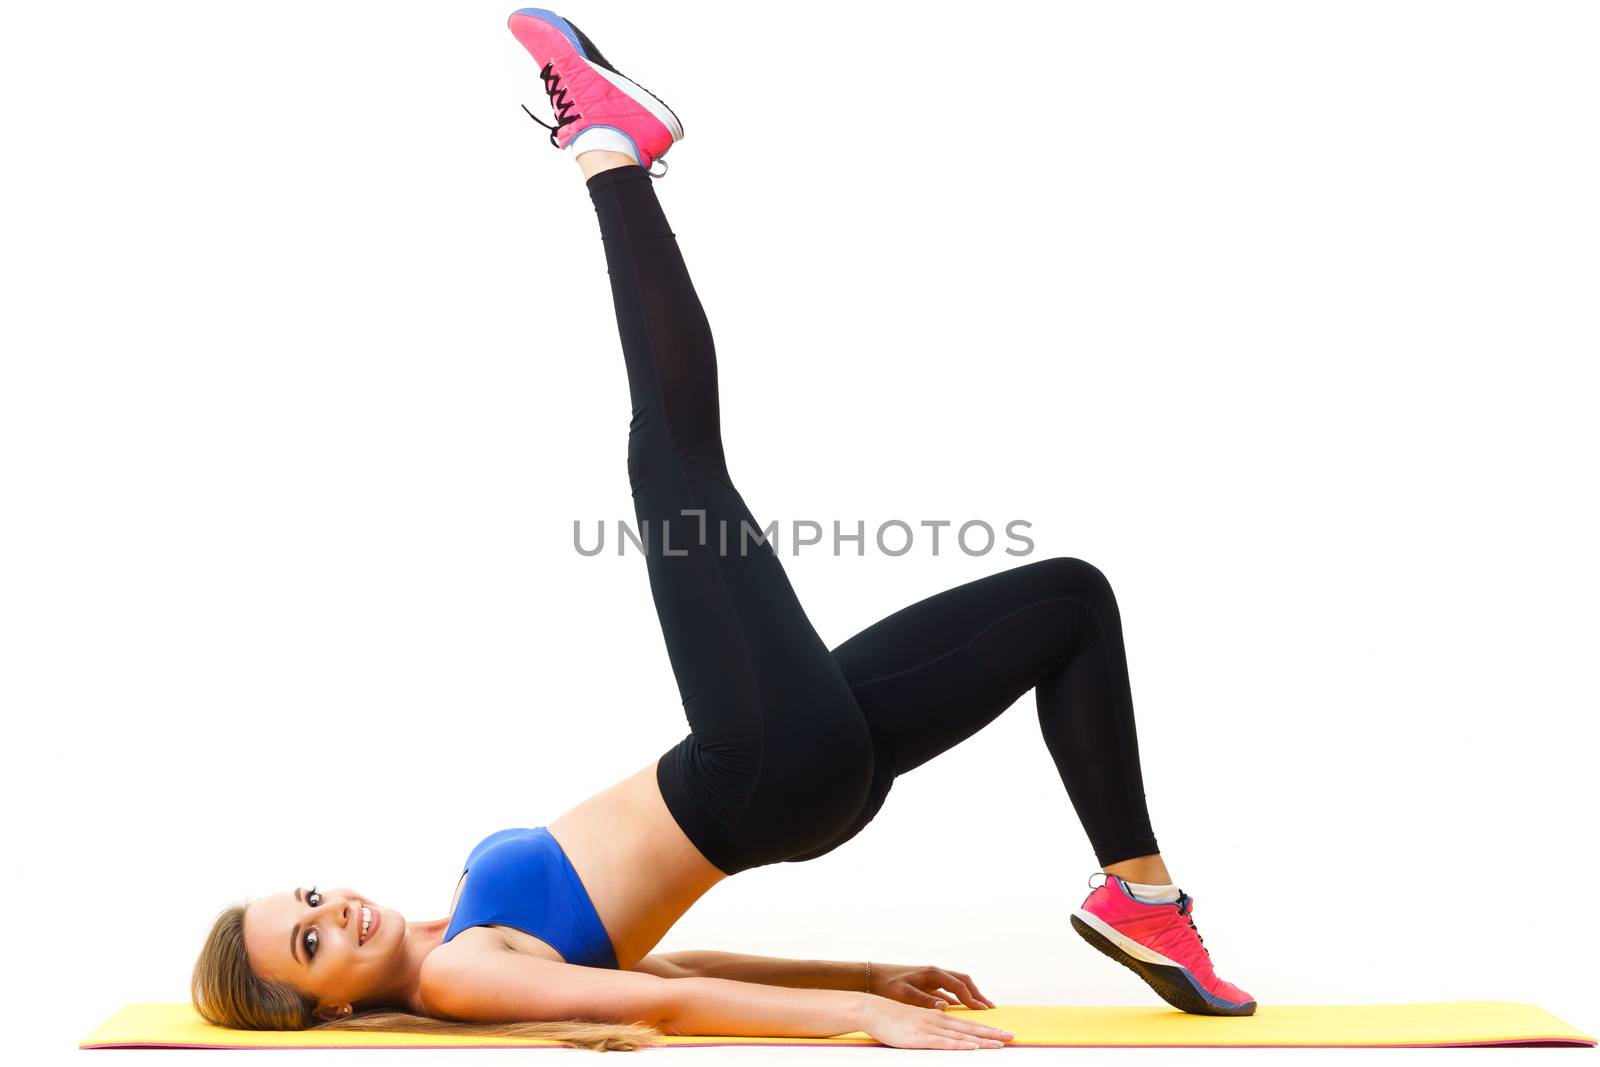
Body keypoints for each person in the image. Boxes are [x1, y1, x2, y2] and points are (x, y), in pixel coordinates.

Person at [191, 8, 1255, 1052]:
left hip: (793, 769)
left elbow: (673, 968)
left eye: (313, 897)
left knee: (1067, 602)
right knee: (672, 455)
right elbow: (663, 1011)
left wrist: (859, 973)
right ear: (321, 1005)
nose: (339, 913)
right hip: (755, 769)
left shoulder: (454, 930)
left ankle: (1144, 896)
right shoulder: (458, 973)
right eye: (314, 941)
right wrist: (864, 1019)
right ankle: (605, 150)